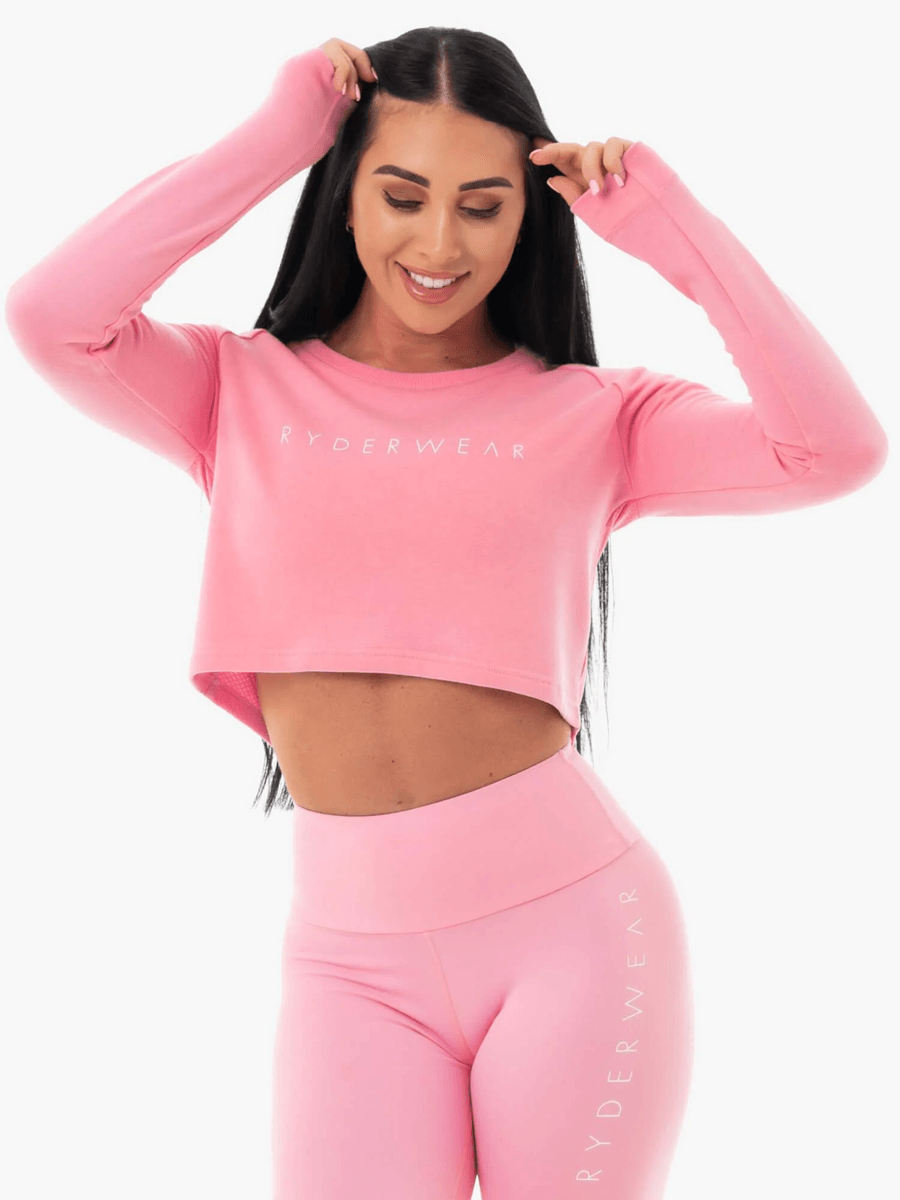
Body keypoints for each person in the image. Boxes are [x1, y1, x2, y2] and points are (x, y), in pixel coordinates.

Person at [4, 27, 888, 1200]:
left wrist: (670, 229)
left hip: (576, 939)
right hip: (347, 962)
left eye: (482, 205)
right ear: (345, 192)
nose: (437, 244)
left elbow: (834, 449)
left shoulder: (596, 415)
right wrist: (275, 138)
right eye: (401, 194)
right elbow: (49, 313)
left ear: (528, 216)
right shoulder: (238, 387)